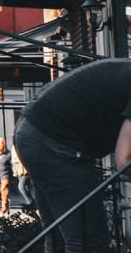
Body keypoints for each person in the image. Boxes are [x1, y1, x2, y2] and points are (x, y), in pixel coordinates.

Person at [14, 58, 131, 253]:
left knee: (60, 237)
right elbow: (124, 159)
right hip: (55, 142)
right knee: (87, 240)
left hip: (35, 132)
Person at [11, 145, 36, 214]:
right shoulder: (14, 143)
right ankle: (30, 203)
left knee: (21, 186)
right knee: (26, 186)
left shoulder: (21, 141)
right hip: (17, 166)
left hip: (24, 165)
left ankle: (31, 202)